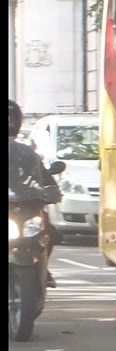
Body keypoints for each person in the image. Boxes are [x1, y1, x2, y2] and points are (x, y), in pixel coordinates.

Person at [8, 99, 62, 286]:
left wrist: (51, 191)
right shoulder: (24, 150)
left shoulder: (26, 153)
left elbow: (45, 178)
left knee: (50, 232)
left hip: (23, 208)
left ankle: (43, 268)